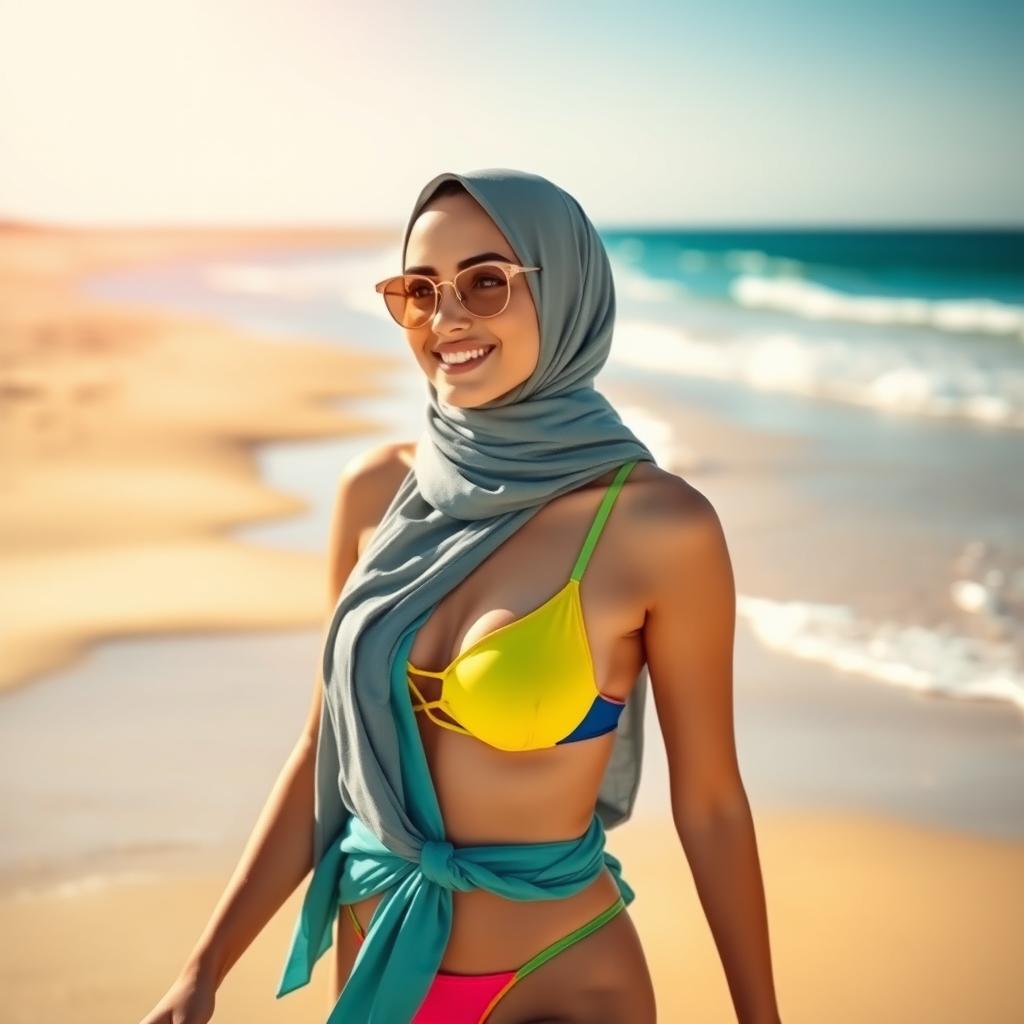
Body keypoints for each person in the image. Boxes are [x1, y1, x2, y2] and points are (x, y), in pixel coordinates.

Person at [139, 170, 782, 1024]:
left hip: (561, 978)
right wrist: (203, 971)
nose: (445, 319)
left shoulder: (659, 528)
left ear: (568, 290)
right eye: (420, 290)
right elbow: (325, 751)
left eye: (485, 282)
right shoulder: (376, 491)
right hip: (377, 959)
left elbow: (711, 803)